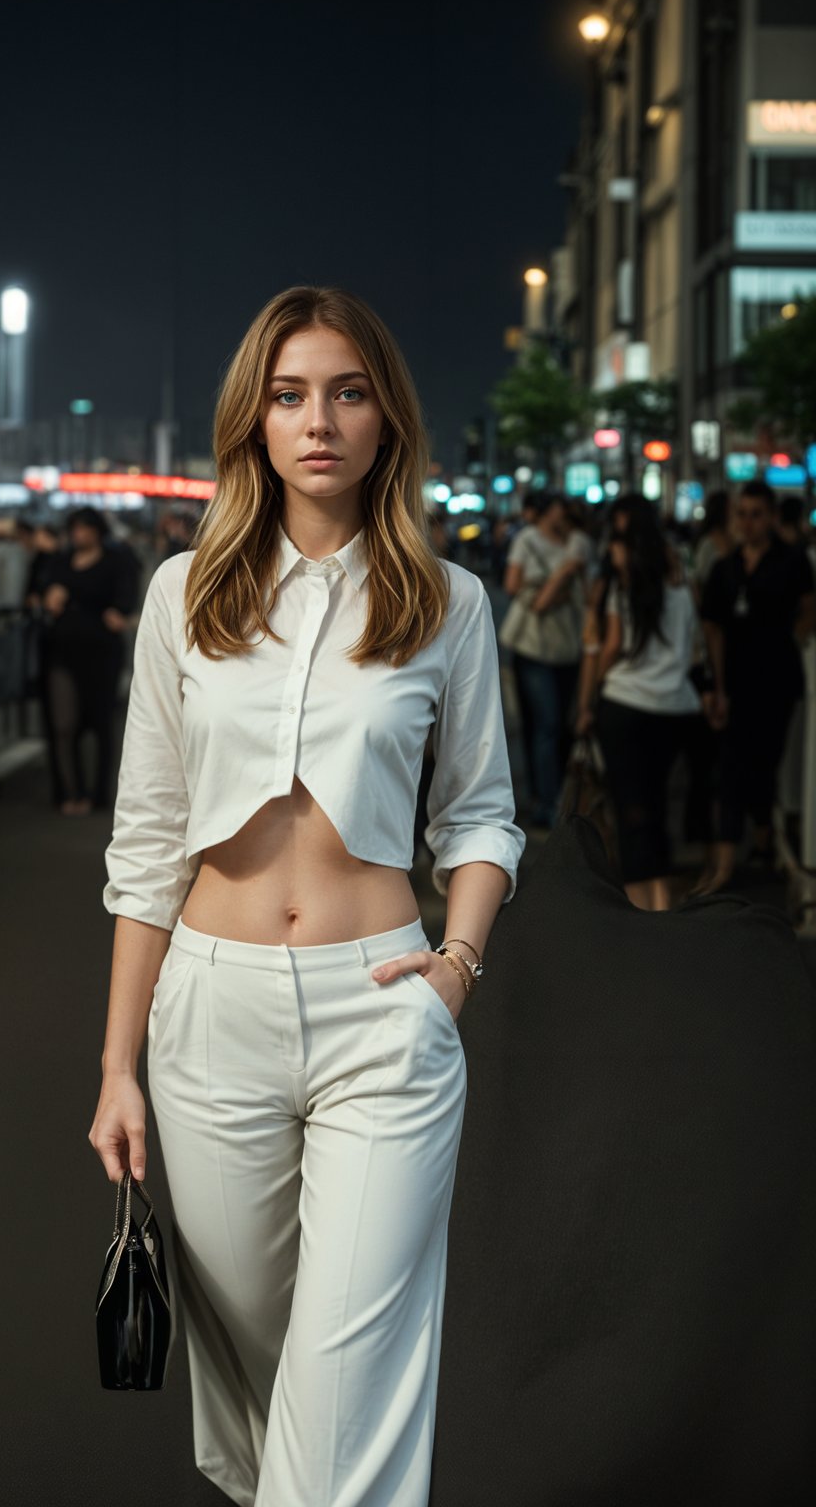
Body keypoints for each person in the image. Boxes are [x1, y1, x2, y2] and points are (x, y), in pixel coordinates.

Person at [88, 285, 525, 1507]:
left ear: (387, 416)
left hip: (383, 1013)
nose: (318, 420)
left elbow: (483, 816)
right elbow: (148, 845)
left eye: (346, 391)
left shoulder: (450, 604)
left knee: (349, 1398)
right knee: (262, 1378)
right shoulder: (185, 597)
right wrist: (119, 1066)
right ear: (254, 422)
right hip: (206, 1024)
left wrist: (454, 972)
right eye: (288, 396)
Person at [576, 495, 702, 911]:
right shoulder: (682, 584)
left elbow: (609, 649)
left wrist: (586, 702)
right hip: (675, 709)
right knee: (657, 806)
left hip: (626, 706)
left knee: (631, 810)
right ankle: (662, 900)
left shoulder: (622, 590)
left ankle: (639, 906)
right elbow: (694, 646)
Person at [696, 480, 815, 893]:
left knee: (764, 766)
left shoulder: (791, 561)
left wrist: (795, 637)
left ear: (770, 516)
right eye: (742, 514)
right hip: (737, 682)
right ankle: (726, 862)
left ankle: (763, 842)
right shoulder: (725, 567)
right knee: (729, 766)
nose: (748, 523)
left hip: (776, 682)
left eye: (756, 514)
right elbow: (712, 627)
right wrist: (716, 684)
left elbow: (807, 606)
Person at [41, 507, 140, 815]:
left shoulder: (115, 561)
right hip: (63, 652)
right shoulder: (61, 562)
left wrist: (119, 613)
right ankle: (69, 792)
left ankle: (98, 796)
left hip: (101, 654)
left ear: (97, 531)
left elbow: (125, 600)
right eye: (75, 528)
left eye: (84, 528)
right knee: (63, 724)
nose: (79, 534)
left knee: (102, 725)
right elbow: (42, 593)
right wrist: (48, 597)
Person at [502, 491, 587, 828]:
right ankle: (546, 801)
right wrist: (557, 578)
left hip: (570, 641)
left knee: (562, 724)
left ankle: (558, 797)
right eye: (558, 506)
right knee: (547, 723)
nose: (562, 512)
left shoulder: (578, 541)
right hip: (534, 644)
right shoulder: (528, 540)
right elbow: (511, 584)